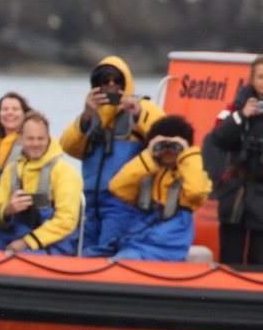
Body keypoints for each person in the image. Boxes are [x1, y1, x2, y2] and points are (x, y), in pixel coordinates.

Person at [60, 55, 164, 251]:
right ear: (95, 85)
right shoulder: (91, 116)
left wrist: (138, 113)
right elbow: (67, 146)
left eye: (117, 80)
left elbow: (167, 133)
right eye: (104, 80)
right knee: (83, 250)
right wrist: (86, 116)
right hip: (91, 203)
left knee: (107, 250)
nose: (111, 85)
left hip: (123, 202)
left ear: (126, 83)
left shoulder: (142, 109)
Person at [90, 115, 211, 261]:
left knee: (124, 260)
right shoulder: (148, 171)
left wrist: (188, 155)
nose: (168, 151)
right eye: (162, 146)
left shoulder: (192, 176)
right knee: (89, 254)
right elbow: (117, 186)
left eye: (174, 147)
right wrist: (149, 155)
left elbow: (196, 192)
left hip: (167, 242)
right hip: (137, 236)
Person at [0, 112, 83, 255]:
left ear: (48, 138)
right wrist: (7, 210)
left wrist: (27, 242)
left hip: (51, 244)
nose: (36, 144)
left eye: (41, 139)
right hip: (11, 237)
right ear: (20, 139)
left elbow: (66, 220)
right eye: (30, 139)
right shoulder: (11, 171)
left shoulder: (64, 172)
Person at [209, 54, 263, 266]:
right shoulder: (235, 108)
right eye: (260, 76)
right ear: (252, 79)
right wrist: (242, 116)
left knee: (259, 258)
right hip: (236, 191)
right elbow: (219, 138)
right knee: (230, 253)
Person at [0, 92, 31, 205]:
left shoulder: (30, 144)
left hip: (17, 202)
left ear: (25, 114)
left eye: (15, 109)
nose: (10, 113)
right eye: (5, 109)